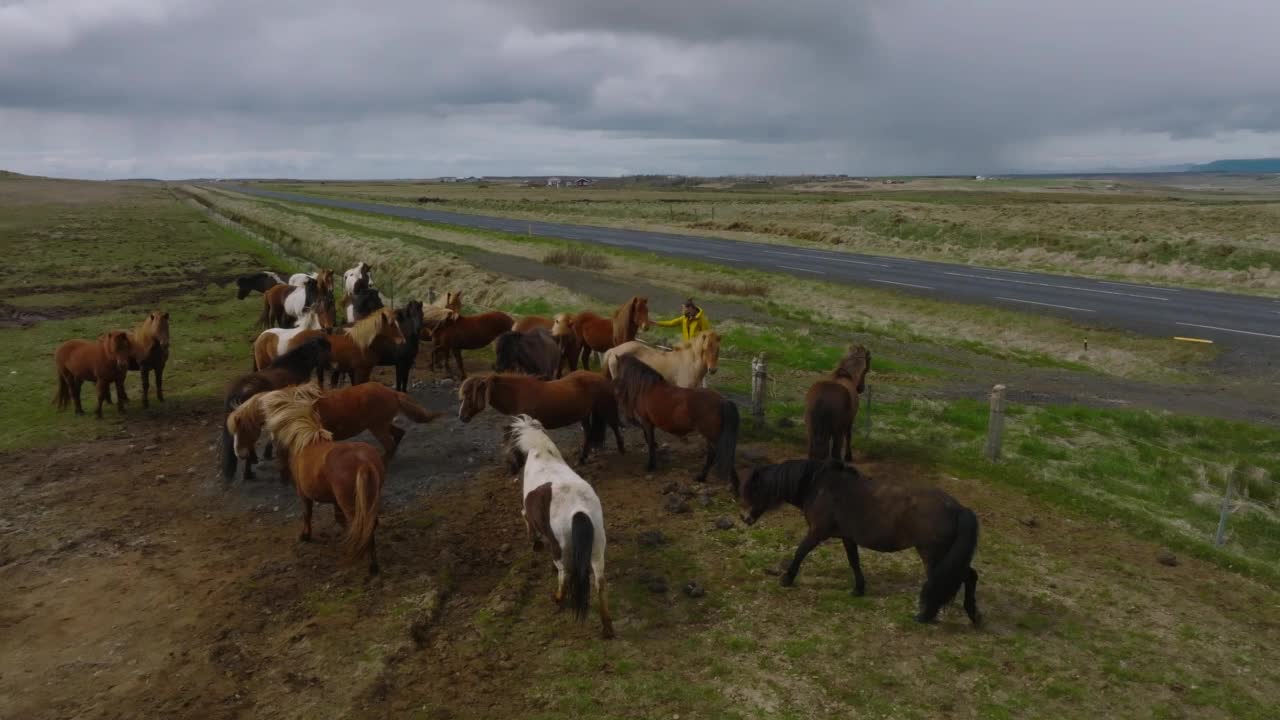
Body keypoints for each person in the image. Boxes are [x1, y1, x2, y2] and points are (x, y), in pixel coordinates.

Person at [655, 298, 712, 387]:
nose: (682, 310)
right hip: (686, 348)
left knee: (698, 370)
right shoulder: (685, 318)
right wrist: (656, 323)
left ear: (690, 308)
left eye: (683, 308)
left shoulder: (701, 320)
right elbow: (671, 323)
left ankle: (702, 387)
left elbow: (707, 334)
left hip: (697, 350)